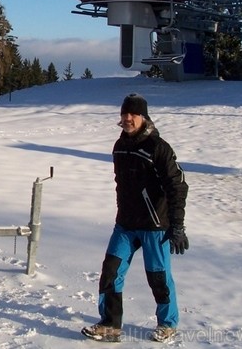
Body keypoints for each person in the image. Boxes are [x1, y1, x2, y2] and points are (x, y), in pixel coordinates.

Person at [82, 93, 189, 343]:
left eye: (133, 114)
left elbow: (178, 186)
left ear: (143, 117)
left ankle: (168, 323)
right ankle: (110, 324)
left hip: (154, 225)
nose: (128, 118)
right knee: (110, 271)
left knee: (158, 277)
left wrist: (177, 225)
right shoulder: (120, 146)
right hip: (126, 224)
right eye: (125, 113)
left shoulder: (158, 148)